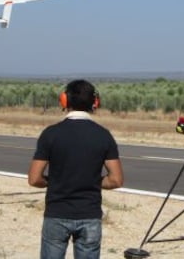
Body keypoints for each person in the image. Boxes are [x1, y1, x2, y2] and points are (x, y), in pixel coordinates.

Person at [28, 79, 124, 259]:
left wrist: (54, 182)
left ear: (64, 100)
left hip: (57, 214)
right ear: (95, 102)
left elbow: (34, 179)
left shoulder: (50, 134)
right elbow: (116, 180)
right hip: (90, 215)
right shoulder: (104, 135)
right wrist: (93, 181)